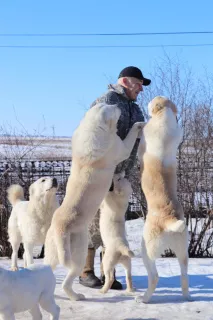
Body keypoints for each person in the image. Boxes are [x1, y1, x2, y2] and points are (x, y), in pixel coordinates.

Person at [79, 66, 151, 289]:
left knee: (112, 223)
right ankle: (86, 271)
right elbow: (91, 133)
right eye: (138, 83)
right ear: (125, 81)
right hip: (101, 172)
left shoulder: (135, 109)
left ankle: (107, 273)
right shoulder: (107, 101)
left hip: (121, 176)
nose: (141, 89)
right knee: (93, 222)